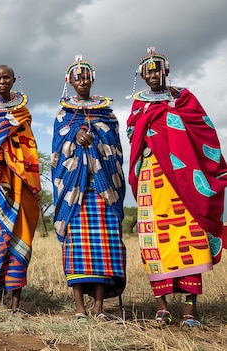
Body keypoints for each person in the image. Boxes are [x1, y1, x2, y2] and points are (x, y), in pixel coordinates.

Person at [127, 47, 227, 328]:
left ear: (166, 70)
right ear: (142, 76)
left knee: (189, 239)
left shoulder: (184, 98)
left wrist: (173, 122)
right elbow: (133, 135)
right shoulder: (139, 103)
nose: (153, 75)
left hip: (183, 180)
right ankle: (162, 309)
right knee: (154, 242)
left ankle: (190, 310)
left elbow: (204, 130)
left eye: (157, 69)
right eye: (147, 71)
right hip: (151, 178)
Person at [51, 55, 126, 321]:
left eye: (86, 77)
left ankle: (99, 309)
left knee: (103, 248)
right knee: (77, 248)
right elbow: (58, 151)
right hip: (75, 194)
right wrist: (75, 136)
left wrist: (95, 141)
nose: (82, 81)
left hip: (103, 190)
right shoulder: (63, 115)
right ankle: (80, 309)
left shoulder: (107, 113)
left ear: (92, 79)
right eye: (77, 77)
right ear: (69, 82)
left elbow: (114, 148)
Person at [0, 65, 41, 311]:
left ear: (14, 80)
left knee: (19, 236)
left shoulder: (22, 112)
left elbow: (29, 144)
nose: (3, 81)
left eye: (7, 78)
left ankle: (15, 302)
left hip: (19, 180)